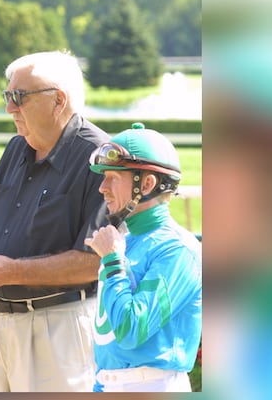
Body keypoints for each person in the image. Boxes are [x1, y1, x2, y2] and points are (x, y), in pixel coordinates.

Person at [0, 51, 109, 392]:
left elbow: (97, 262)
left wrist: (8, 272)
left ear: (58, 100)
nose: (9, 107)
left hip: (60, 326)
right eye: (8, 96)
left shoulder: (99, 157)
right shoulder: (15, 148)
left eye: (18, 97)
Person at [83, 123, 202, 392]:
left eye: (113, 176)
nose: (103, 187)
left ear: (146, 184)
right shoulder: (123, 242)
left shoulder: (177, 250)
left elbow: (132, 330)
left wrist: (112, 260)